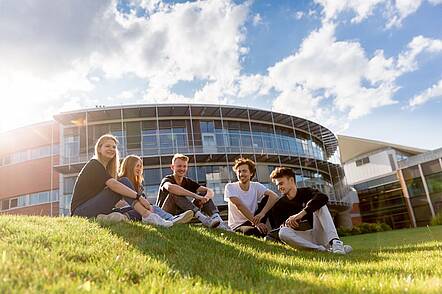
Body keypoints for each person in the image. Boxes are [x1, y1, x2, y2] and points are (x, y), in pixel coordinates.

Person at [70, 134, 172, 227]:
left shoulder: (105, 169)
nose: (111, 149)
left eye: (114, 147)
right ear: (99, 149)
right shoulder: (94, 164)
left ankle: (109, 217)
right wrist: (139, 197)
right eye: (107, 146)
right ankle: (148, 216)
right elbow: (114, 185)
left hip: (93, 208)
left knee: (134, 209)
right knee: (123, 182)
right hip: (80, 211)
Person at [269, 167, 352, 254]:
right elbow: (278, 226)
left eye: (281, 183)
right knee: (282, 232)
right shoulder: (279, 205)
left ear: (291, 180)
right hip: (302, 239)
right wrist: (288, 223)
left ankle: (335, 243)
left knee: (319, 204)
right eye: (277, 185)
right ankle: (321, 249)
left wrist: (301, 214)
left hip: (318, 233)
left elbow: (323, 198)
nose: (279, 188)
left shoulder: (307, 192)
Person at [114, 155, 194, 224]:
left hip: (137, 211)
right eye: (137, 166)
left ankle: (170, 219)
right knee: (150, 208)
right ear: (130, 166)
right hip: (124, 210)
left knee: (150, 208)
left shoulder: (139, 186)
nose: (139, 169)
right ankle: (171, 219)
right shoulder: (121, 181)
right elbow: (117, 203)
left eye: (140, 166)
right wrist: (139, 204)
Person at [156, 154, 228, 229]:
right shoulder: (167, 179)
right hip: (164, 214)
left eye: (184, 166)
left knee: (203, 194)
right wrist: (196, 196)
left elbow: (209, 191)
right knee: (174, 193)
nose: (182, 169)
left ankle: (220, 222)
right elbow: (170, 187)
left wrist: (205, 198)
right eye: (179, 166)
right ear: (172, 167)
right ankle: (204, 219)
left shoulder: (187, 181)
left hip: (183, 214)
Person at [224, 158, 279, 237]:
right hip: (239, 225)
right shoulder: (230, 187)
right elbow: (239, 206)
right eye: (239, 171)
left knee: (269, 199)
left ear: (251, 173)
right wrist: (257, 224)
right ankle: (262, 231)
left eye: (244, 171)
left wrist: (262, 214)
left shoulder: (256, 185)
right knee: (254, 232)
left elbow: (275, 196)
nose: (241, 174)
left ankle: (275, 231)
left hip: (255, 218)